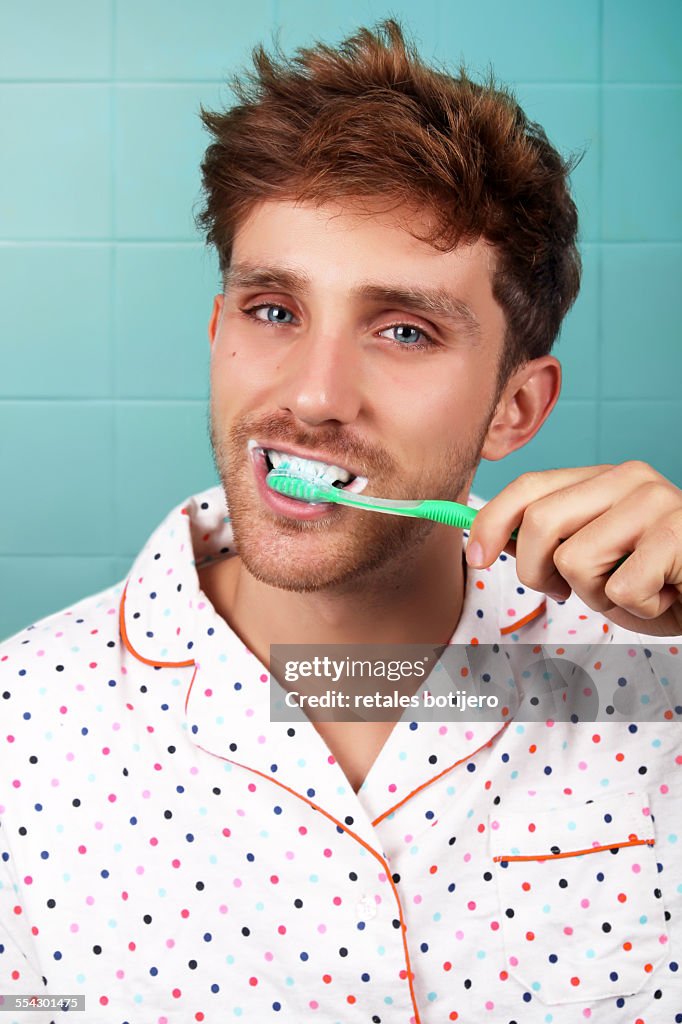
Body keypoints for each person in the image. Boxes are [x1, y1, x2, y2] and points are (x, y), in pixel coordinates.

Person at [1, 19, 681, 1024]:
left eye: (403, 329)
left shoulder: (658, 679)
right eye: (273, 310)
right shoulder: (19, 741)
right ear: (217, 331)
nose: (315, 398)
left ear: (517, 408)